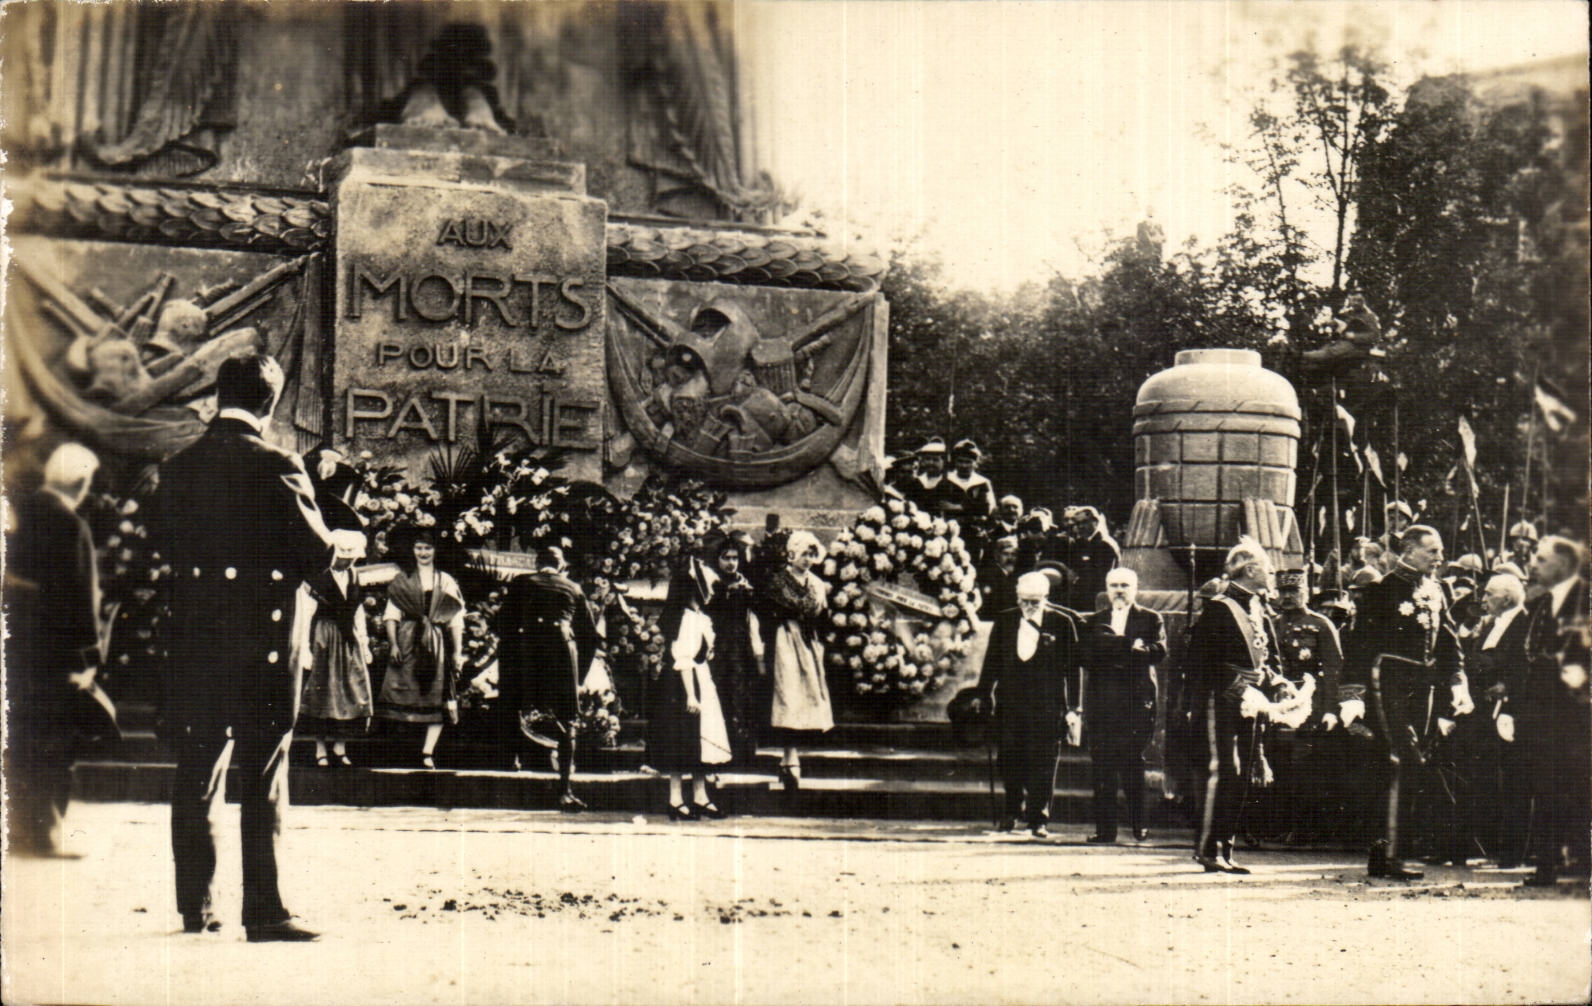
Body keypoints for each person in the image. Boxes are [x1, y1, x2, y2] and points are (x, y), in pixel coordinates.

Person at [150, 353, 331, 941]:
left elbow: (162, 545)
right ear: (269, 404)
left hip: (197, 641)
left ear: (219, 393)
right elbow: (314, 551)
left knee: (196, 769)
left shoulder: (178, 466)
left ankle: (194, 907)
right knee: (262, 773)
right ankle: (265, 911)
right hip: (262, 643)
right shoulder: (278, 463)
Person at [1343, 524, 1468, 880]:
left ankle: (1382, 851)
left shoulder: (1438, 589)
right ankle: (1395, 855)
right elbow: (1360, 645)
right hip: (1390, 682)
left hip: (1424, 688)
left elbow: (1447, 640)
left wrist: (1458, 681)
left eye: (1440, 551)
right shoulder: (1382, 590)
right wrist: (1352, 695)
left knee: (1408, 764)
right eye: (1432, 551)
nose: (1439, 557)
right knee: (1404, 759)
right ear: (1408, 551)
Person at [4, 443, 106, 857]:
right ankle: (45, 835)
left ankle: (18, 831)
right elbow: (82, 599)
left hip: (14, 652)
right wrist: (86, 661)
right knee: (54, 747)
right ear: (80, 483)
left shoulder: (18, 514)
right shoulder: (69, 524)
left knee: (20, 742)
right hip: (54, 657)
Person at [1185, 538, 1280, 874]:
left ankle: (1225, 847)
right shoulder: (1219, 608)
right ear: (1251, 568)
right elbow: (1200, 661)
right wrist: (1239, 687)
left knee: (1240, 778)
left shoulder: (1258, 608)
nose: (1272, 572)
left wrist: (1276, 683)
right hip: (1220, 701)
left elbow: (1261, 659)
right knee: (1223, 772)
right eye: (1267, 567)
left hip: (1250, 703)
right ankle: (1208, 848)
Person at [970, 571, 1080, 839]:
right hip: (1011, 703)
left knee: (1043, 762)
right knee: (1009, 758)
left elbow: (1072, 669)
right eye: (1025, 601)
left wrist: (1074, 708)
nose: (1029, 607)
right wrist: (983, 694)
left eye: (1035, 602)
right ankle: (1011, 812)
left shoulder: (1061, 622)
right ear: (1018, 598)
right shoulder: (1006, 620)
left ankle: (1038, 818)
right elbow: (992, 661)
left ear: (1046, 598)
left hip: (1047, 705)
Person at [495, 544, 599, 810]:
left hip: (529, 651)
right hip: (563, 655)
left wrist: (509, 663)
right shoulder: (574, 588)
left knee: (516, 703)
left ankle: (512, 763)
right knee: (567, 719)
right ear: (561, 566)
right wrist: (580, 675)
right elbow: (590, 637)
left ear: (537, 564)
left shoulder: (522, 582)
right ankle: (565, 789)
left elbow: (502, 624)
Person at [1517, 535, 1589, 885]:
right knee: (1545, 786)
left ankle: (1580, 861)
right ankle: (1546, 866)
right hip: (1544, 716)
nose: (1533, 564)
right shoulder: (1545, 604)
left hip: (1577, 715)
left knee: (1578, 788)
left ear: (1563, 564)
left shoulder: (1584, 599)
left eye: (1541, 559)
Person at [1082, 567, 1164, 844]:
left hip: (1135, 703)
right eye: (1114, 585)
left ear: (1135, 589)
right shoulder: (1095, 620)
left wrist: (1125, 650)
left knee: (1132, 765)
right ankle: (1106, 830)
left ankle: (1139, 826)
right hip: (1103, 702)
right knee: (1102, 767)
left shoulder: (1151, 619)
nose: (1119, 590)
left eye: (1125, 585)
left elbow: (1159, 651)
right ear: (1107, 589)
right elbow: (1086, 657)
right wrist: (1129, 648)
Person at [1455, 572, 1530, 867]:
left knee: (1513, 782)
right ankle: (1482, 846)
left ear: (1507, 597)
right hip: (1483, 712)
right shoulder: (1488, 625)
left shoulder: (1524, 624)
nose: (1483, 599)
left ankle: (1512, 853)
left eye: (1489, 594)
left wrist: (1509, 689)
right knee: (1483, 779)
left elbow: (1526, 665)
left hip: (1510, 712)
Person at [649, 557, 732, 819]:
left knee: (700, 744)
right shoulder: (685, 618)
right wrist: (692, 695)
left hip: (701, 678)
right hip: (684, 683)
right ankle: (675, 799)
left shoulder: (700, 617)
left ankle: (700, 796)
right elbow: (682, 658)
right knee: (682, 741)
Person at [375, 527, 466, 768]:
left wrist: (457, 653)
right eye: (418, 548)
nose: (423, 553)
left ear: (435, 550)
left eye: (427, 548)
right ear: (412, 550)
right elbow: (391, 615)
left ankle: (428, 751)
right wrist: (393, 644)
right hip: (407, 640)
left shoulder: (445, 580)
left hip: (435, 643)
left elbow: (455, 619)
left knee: (436, 694)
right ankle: (401, 750)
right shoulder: (403, 578)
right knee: (401, 691)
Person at [1269, 569, 1344, 843]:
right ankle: (1280, 824)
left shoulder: (1321, 625)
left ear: (1305, 593)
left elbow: (1334, 670)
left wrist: (1330, 709)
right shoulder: (1272, 624)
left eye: (1294, 592)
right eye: (1283, 592)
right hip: (1279, 702)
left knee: (1305, 765)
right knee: (1279, 762)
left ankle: (1305, 827)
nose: (1288, 597)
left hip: (1310, 704)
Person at [292, 529, 374, 768]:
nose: (346, 558)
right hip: (324, 638)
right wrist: (305, 648)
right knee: (322, 691)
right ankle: (320, 747)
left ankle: (340, 746)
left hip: (349, 638)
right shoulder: (317, 578)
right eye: (342, 552)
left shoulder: (355, 576)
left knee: (349, 690)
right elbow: (305, 615)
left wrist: (364, 642)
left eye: (350, 553)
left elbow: (357, 611)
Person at [766, 530, 832, 789]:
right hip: (784, 640)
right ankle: (790, 757)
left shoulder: (816, 583)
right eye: (804, 553)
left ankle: (790, 759)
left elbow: (821, 613)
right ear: (791, 554)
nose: (808, 559)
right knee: (788, 695)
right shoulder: (778, 581)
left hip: (809, 641)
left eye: (812, 554)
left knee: (808, 696)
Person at [702, 532, 765, 768]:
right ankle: (717, 752)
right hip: (716, 649)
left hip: (740, 652)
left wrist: (757, 656)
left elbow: (752, 623)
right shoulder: (710, 585)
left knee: (740, 697)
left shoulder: (745, 587)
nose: (730, 562)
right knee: (717, 697)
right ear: (717, 559)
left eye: (734, 558)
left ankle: (741, 753)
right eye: (726, 558)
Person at [1057, 506, 1120, 613]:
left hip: (1098, 600)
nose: (1080, 526)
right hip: (1080, 599)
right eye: (1077, 523)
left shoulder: (1105, 544)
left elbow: (1100, 577)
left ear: (1095, 522)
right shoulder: (1079, 544)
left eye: (1085, 522)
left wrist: (1076, 579)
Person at [977, 535, 1022, 619]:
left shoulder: (1015, 577)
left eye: (1013, 554)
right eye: (1005, 554)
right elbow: (990, 605)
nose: (1010, 558)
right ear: (996, 555)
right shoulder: (988, 575)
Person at [906, 437, 948, 513]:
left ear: (944, 462)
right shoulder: (916, 483)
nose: (931, 463)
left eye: (935, 460)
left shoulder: (949, 483)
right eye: (928, 459)